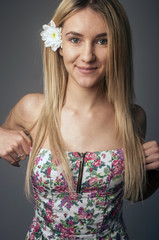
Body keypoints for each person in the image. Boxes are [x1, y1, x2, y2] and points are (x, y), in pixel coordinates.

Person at [0, 0, 159, 239]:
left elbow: (135, 194)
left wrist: (155, 173)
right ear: (59, 44)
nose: (87, 56)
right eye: (75, 39)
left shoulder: (133, 117)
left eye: (103, 41)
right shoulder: (32, 109)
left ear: (118, 47)